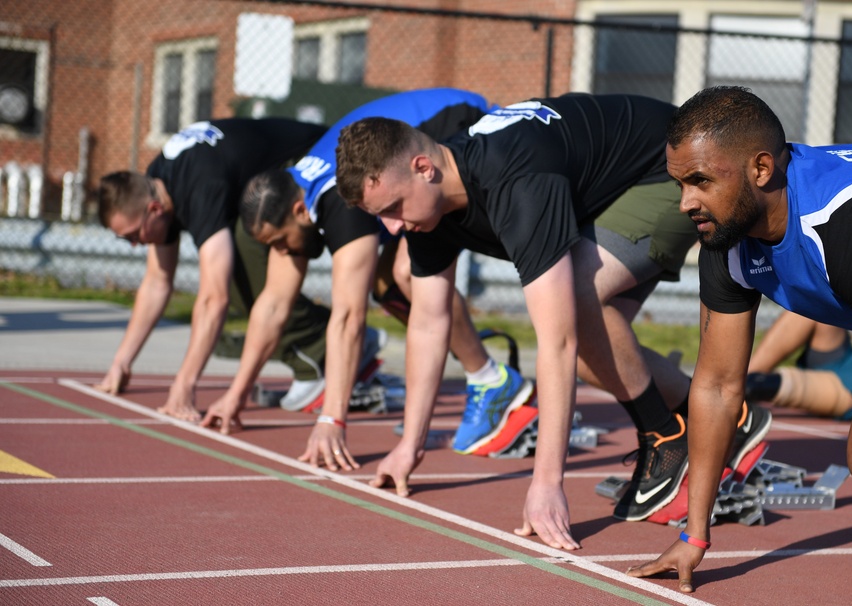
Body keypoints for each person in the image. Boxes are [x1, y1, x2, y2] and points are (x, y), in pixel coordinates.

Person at [334, 93, 772, 550]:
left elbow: (556, 340)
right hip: (600, 188)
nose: (390, 228)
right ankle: (726, 419)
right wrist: (410, 446)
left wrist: (547, 483)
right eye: (378, 215)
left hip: (661, 169)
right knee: (592, 349)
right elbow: (427, 325)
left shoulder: (517, 181)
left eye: (392, 208)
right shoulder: (428, 207)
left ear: (425, 168)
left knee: (576, 304)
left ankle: (665, 435)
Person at [626, 86, 852, 606]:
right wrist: (694, 536)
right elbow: (715, 387)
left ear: (760, 169)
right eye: (679, 183)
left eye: (699, 181)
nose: (686, 201)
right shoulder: (724, 230)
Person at [198, 87, 536, 470]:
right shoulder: (294, 190)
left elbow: (348, 318)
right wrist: (235, 395)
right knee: (387, 288)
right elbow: (272, 305)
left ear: (298, 211)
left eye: (279, 242)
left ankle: (491, 380)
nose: (283, 251)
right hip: (407, 146)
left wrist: (332, 418)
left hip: (457, 128)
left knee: (408, 275)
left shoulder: (338, 204)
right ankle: (487, 375)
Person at [95, 119, 337, 421]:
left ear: (154, 210)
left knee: (238, 274)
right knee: (235, 267)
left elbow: (213, 299)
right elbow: (157, 282)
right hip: (259, 177)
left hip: (311, 156)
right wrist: (122, 361)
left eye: (133, 236)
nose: (134, 245)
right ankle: (326, 345)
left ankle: (325, 352)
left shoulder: (198, 188)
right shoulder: (157, 183)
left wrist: (184, 386)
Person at [745, 310, 852, 420]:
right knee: (815, 305)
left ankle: (747, 386)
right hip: (849, 357)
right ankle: (744, 378)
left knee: (758, 385)